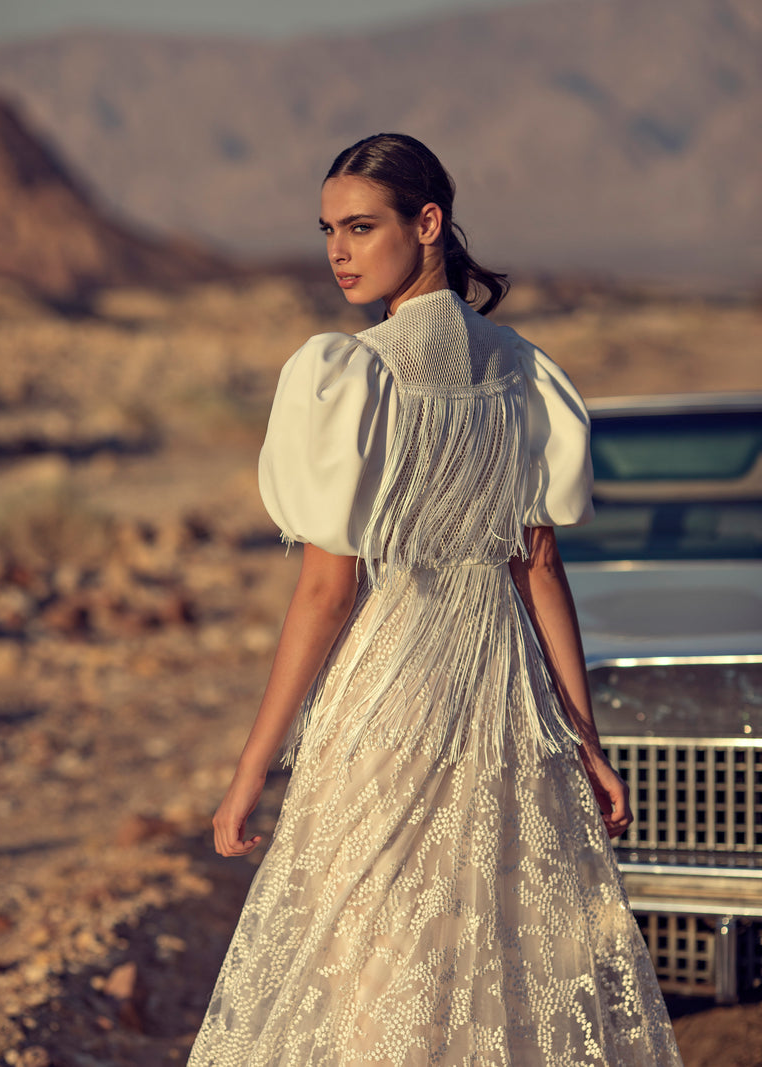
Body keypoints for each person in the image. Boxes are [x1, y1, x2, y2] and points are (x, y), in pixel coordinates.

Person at [187, 133, 683, 1066]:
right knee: (492, 956)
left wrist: (256, 761)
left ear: (429, 223)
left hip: (394, 694)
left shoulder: (350, 375)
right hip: (506, 698)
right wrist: (585, 737)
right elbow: (539, 568)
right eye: (329, 229)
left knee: (373, 961)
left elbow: (328, 592)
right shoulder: (527, 371)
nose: (339, 250)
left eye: (362, 226)